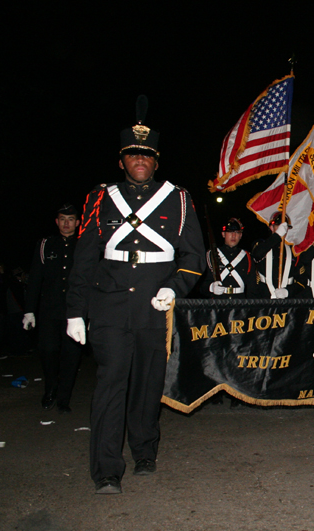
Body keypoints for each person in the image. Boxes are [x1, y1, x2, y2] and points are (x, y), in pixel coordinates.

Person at [66, 97, 205, 494]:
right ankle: (107, 470)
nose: (139, 160)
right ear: (122, 160)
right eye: (132, 154)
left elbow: (195, 256)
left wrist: (173, 286)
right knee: (111, 383)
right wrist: (75, 311)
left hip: (153, 305)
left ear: (156, 161)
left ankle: (145, 449)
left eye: (146, 154)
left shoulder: (178, 199)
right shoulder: (99, 198)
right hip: (109, 303)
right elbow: (85, 257)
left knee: (147, 383)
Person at [23, 203, 84, 412]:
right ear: (56, 222)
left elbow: (92, 280)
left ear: (77, 222)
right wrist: (29, 310)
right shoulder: (45, 244)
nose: (66, 223)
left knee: (71, 355)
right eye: (62, 219)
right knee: (48, 350)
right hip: (49, 310)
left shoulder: (85, 244)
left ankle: (63, 399)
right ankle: (50, 389)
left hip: (75, 311)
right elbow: (35, 279)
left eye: (71, 219)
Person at [201, 218, 258, 299]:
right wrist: (211, 287)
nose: (233, 236)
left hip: (239, 303)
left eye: (237, 232)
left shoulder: (247, 256)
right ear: (223, 234)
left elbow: (252, 287)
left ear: (240, 235)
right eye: (230, 232)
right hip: (218, 303)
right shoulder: (211, 254)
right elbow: (201, 285)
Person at [251, 212, 296, 299]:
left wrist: (288, 291)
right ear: (271, 227)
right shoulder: (262, 244)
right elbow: (257, 254)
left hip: (287, 300)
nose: (283, 230)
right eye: (278, 226)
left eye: (284, 227)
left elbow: (301, 280)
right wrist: (277, 235)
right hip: (264, 298)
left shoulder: (292, 250)